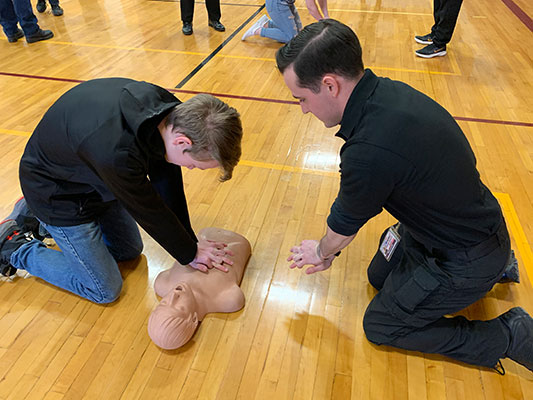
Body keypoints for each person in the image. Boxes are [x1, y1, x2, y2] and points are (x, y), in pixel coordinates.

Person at [276, 19, 533, 374]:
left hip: (464, 257)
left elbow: (343, 228)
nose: (303, 108)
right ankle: (497, 267)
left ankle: (509, 335)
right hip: (468, 223)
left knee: (381, 326)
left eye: (302, 98)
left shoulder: (367, 150)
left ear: (330, 85)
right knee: (379, 277)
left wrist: (322, 252)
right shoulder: (387, 92)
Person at [0, 78, 243, 304]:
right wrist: (190, 253)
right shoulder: (118, 154)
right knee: (104, 289)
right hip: (55, 194)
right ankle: (15, 246)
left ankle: (33, 217)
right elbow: (147, 208)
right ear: (182, 142)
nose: (189, 167)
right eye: (194, 164)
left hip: (93, 180)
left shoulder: (172, 114)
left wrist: (190, 242)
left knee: (128, 251)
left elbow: (166, 176)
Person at [148, 227, 251, 350]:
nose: (174, 294)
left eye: (164, 303)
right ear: (193, 319)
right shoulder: (226, 300)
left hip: (204, 234)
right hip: (237, 240)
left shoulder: (162, 283)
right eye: (180, 307)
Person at [242, 0, 328, 43]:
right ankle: (258, 30)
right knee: (291, 38)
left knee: (299, 34)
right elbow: (311, 7)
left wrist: (326, 16)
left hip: (286, 3)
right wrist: (323, 22)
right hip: (276, 5)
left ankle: (267, 24)